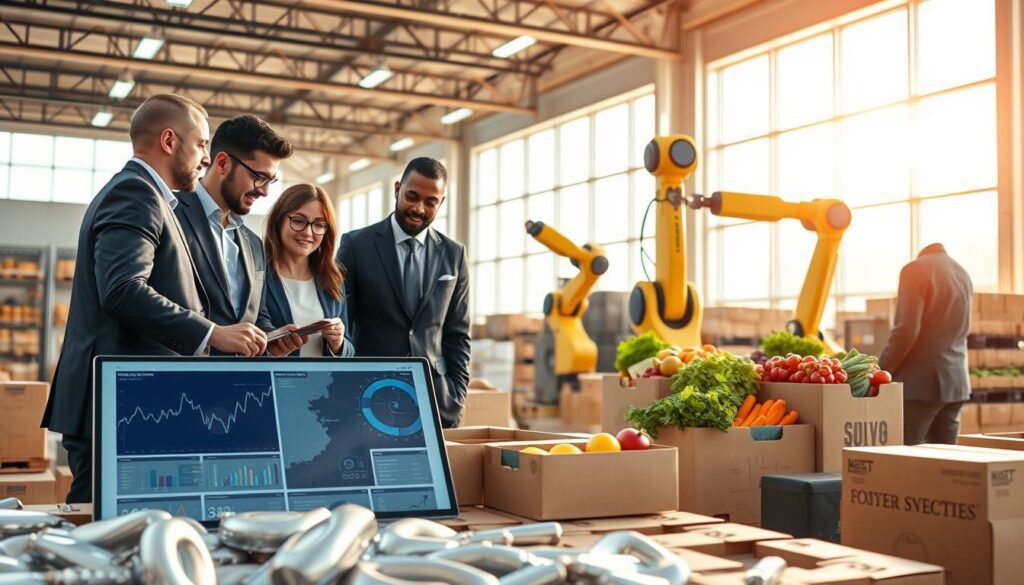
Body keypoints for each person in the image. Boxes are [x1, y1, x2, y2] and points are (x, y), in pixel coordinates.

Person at [42, 94, 268, 503]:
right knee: (103, 531)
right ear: (169, 141)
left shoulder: (152, 197)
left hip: (134, 402)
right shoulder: (135, 191)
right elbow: (123, 289)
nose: (204, 157)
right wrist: (212, 332)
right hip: (115, 404)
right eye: (201, 144)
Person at [337, 158, 470, 427]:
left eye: (431, 201)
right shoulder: (355, 245)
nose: (419, 208)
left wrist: (456, 395)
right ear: (397, 189)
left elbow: (458, 334)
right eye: (412, 196)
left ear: (441, 203)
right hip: (368, 393)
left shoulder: (454, 254)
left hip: (434, 397)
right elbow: (341, 323)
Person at [175, 114, 305, 355]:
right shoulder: (170, 215)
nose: (265, 191)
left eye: (271, 180)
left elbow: (256, 317)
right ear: (222, 163)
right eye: (259, 177)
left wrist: (269, 340)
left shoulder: (254, 244)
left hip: (236, 384)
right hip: (178, 379)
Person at [879, 243, 973, 445]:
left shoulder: (915, 269)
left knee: (904, 459)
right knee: (945, 465)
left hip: (919, 385)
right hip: (956, 383)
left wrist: (880, 370)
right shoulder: (962, 273)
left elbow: (906, 330)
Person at [263, 184, 354, 356]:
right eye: (298, 221)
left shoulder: (332, 279)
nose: (308, 232)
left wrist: (339, 343)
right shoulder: (257, 275)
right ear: (278, 220)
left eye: (319, 225)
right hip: (278, 381)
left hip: (324, 382)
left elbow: (349, 351)